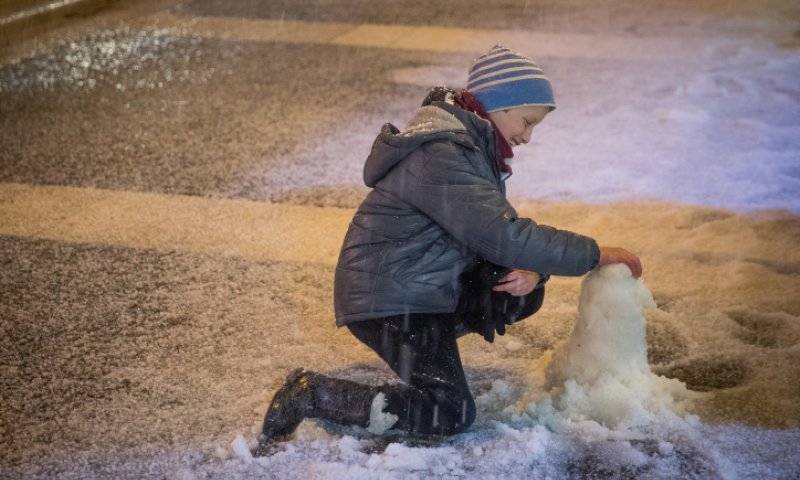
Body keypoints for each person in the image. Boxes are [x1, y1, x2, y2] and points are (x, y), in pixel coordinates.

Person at [256, 45, 642, 446]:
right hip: (390, 297)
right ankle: (313, 394)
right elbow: (505, 236)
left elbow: (495, 237)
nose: (527, 137)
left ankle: (428, 348)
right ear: (497, 105)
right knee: (449, 410)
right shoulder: (443, 154)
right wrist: (594, 254)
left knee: (519, 290)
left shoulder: (470, 147)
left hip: (418, 286)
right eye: (526, 122)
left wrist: (535, 272)